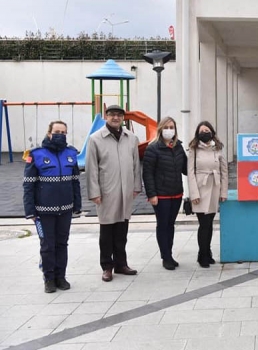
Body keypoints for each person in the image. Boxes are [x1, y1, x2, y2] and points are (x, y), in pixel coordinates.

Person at [23, 121, 82, 293]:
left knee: (62, 244)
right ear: (49, 133)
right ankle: (48, 278)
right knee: (47, 245)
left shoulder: (71, 154)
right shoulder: (36, 155)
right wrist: (30, 211)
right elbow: (28, 185)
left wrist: (77, 205)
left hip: (65, 209)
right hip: (43, 211)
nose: (60, 135)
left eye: (63, 132)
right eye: (57, 131)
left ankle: (60, 276)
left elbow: (75, 182)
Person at [86, 105, 142, 282]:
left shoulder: (131, 138)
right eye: (112, 115)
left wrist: (136, 186)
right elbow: (91, 168)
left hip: (125, 191)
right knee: (107, 231)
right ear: (106, 116)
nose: (115, 118)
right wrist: (94, 192)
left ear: (123, 118)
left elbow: (135, 164)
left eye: (119, 115)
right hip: (106, 191)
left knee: (122, 230)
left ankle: (121, 264)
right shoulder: (95, 139)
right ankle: (107, 266)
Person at [143, 117, 187, 271]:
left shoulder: (178, 147)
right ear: (161, 129)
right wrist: (152, 194)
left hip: (176, 193)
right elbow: (147, 173)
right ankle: (165, 256)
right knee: (163, 225)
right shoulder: (153, 148)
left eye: (172, 127)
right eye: (166, 127)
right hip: (161, 195)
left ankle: (170, 253)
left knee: (170, 225)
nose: (169, 130)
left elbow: (186, 168)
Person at [187, 121, 228, 268]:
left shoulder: (218, 148)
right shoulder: (194, 149)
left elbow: (224, 171)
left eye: (207, 130)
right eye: (202, 130)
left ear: (212, 132)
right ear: (198, 133)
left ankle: (207, 252)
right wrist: (194, 194)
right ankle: (202, 254)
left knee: (210, 224)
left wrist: (223, 192)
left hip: (215, 188)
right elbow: (190, 172)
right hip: (200, 189)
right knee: (203, 224)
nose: (205, 132)